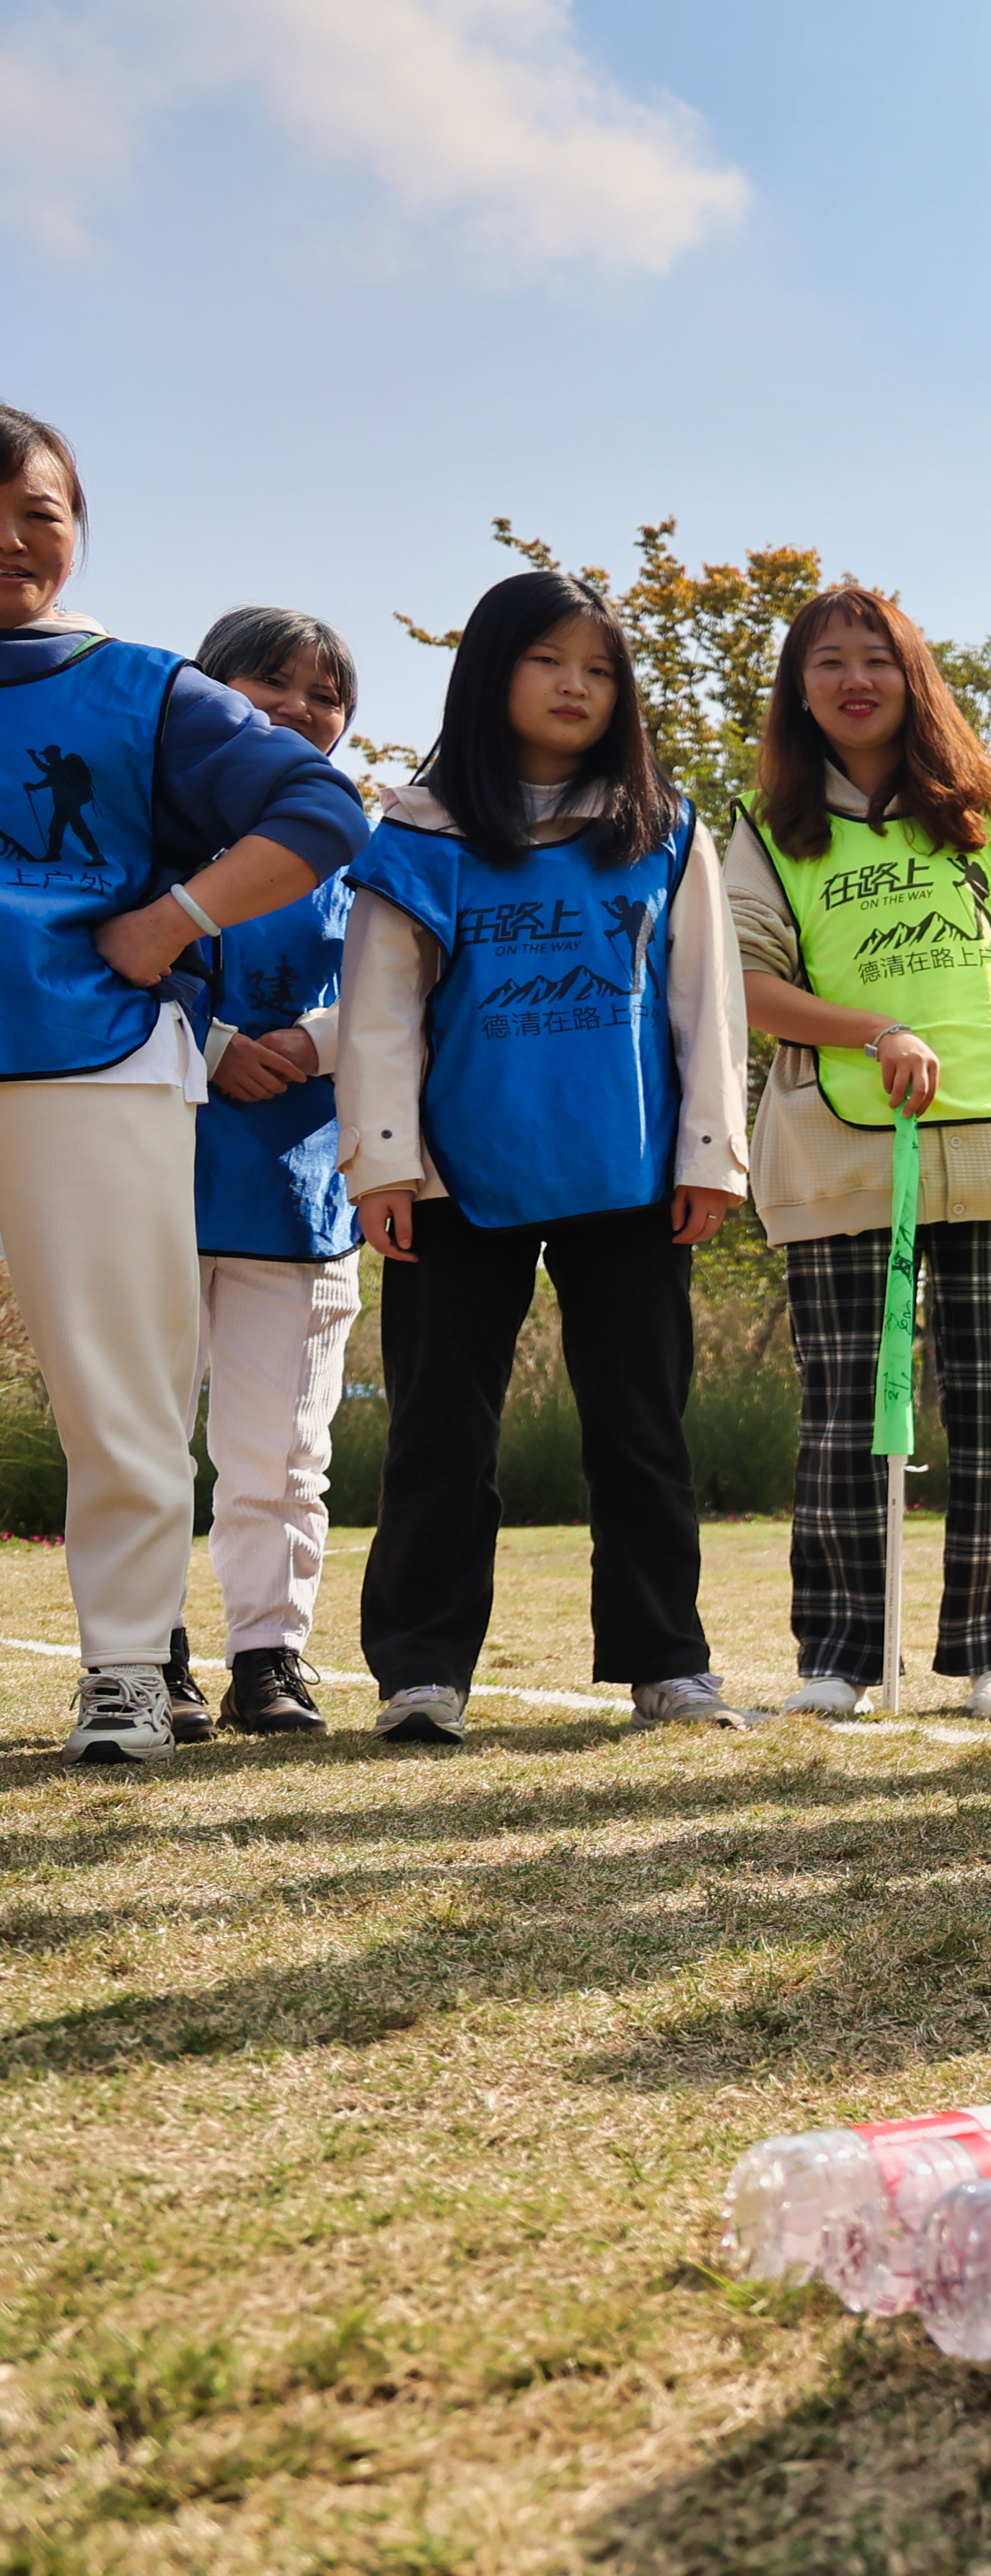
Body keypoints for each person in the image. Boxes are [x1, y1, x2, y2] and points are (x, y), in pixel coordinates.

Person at [0, 408, 365, 1763]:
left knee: (122, 1388)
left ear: (79, 523)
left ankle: (123, 1674)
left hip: (89, 1063)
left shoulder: (142, 685)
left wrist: (168, 925)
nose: (11, 538)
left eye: (38, 510)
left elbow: (323, 813)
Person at [340, 569, 752, 1743]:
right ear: (490, 675)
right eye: (547, 661)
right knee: (439, 1429)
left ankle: (667, 1662)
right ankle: (421, 1673)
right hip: (457, 1182)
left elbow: (703, 1002)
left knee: (641, 1426)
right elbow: (378, 1010)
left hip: (631, 1179)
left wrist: (708, 1155)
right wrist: (382, 1161)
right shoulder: (421, 833)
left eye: (600, 667)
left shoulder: (662, 827)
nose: (576, 685)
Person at [729, 590, 991, 1724]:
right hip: (838, 1150)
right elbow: (744, 983)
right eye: (828, 663)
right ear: (799, 689)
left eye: (877, 661)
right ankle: (839, 1657)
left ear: (914, 676)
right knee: (847, 1410)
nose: (855, 681)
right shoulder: (763, 821)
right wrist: (875, 1031)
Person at [175, 606, 370, 1740]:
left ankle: (269, 1658)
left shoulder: (362, 848)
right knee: (142, 1436)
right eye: (269, 683)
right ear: (208, 691)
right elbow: (95, 954)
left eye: (325, 694)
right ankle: (146, 1656)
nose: (299, 708)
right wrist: (213, 1048)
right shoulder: (143, 823)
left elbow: (401, 988)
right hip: (147, 1177)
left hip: (299, 1191)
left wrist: (311, 1044)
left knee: (283, 1450)